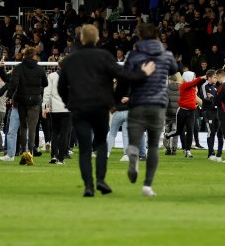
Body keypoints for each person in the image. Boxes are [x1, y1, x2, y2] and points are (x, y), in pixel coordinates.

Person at [56, 24, 154, 197]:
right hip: (100, 107)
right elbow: (123, 77)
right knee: (101, 144)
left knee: (85, 148)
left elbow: (61, 86)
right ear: (98, 39)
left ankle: (88, 186)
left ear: (81, 39)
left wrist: (68, 102)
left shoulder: (70, 59)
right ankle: (101, 180)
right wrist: (116, 98)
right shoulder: (104, 57)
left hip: (79, 107)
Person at [123, 21, 178, 196]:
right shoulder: (166, 55)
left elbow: (125, 77)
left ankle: (132, 153)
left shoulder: (133, 56)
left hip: (137, 102)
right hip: (158, 104)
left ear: (140, 37)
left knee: (134, 141)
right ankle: (147, 186)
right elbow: (175, 70)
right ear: (157, 37)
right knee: (153, 145)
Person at [42, 62, 70, 165]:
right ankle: (61, 158)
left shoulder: (52, 76)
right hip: (67, 109)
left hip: (55, 109)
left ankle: (53, 156)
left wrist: (45, 107)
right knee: (64, 133)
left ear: (58, 65)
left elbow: (47, 93)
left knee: (55, 132)